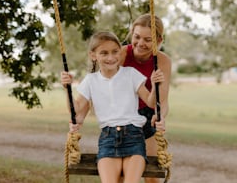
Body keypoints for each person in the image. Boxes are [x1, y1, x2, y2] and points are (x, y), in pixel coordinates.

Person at [61, 31, 165, 183]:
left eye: (115, 52)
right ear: (93, 55)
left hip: (134, 137)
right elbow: (75, 110)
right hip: (108, 140)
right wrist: (67, 88)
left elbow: (150, 102)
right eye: (104, 53)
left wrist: (155, 85)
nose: (111, 58)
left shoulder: (130, 74)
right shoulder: (90, 80)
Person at [120, 13, 171, 183]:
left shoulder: (162, 61)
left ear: (159, 41)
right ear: (131, 34)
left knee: (151, 173)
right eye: (137, 37)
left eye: (148, 40)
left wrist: (161, 115)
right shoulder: (121, 55)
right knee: (120, 173)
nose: (141, 43)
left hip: (148, 116)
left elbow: (162, 101)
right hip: (122, 116)